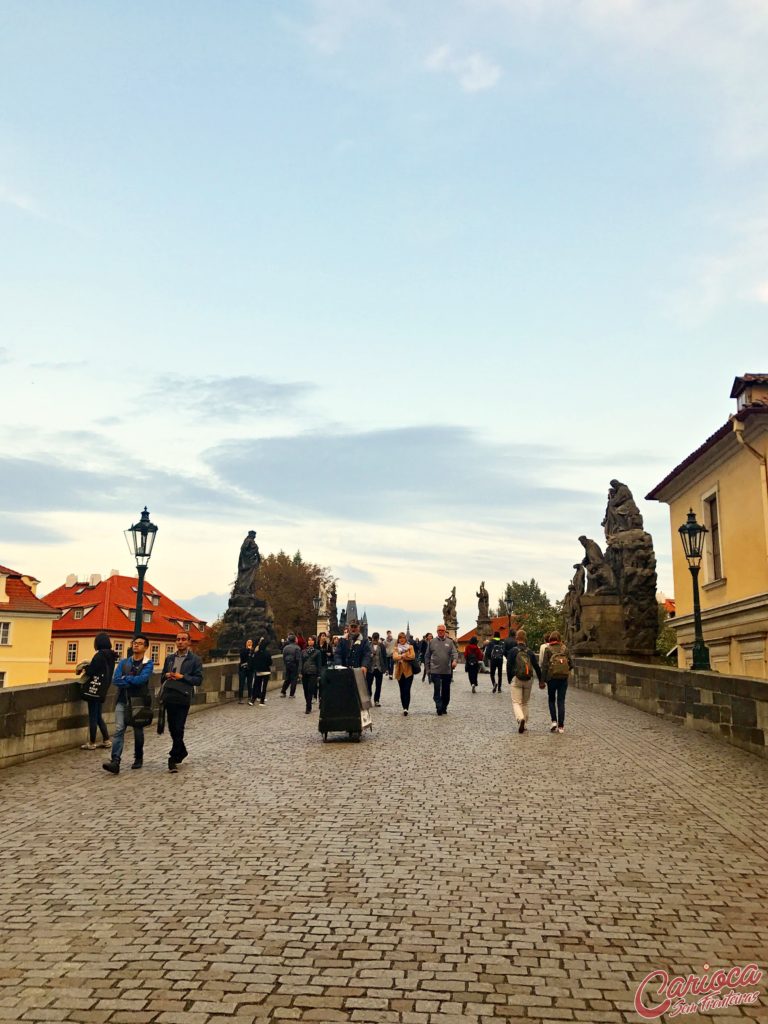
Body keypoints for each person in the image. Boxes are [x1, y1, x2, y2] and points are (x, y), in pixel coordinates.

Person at [102, 634, 154, 775]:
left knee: (138, 730)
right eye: (134, 643)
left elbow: (142, 680)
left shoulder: (148, 663)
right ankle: (115, 761)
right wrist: (131, 680)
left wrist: (127, 678)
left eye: (140, 643)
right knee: (119, 729)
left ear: (146, 647)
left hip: (138, 702)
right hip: (122, 700)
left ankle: (138, 757)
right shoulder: (124, 662)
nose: (136, 645)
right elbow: (116, 680)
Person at [159, 630, 204, 772]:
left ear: (189, 642)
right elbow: (161, 677)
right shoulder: (170, 658)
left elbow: (198, 680)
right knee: (172, 728)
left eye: (183, 639)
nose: (180, 641)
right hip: (169, 695)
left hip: (183, 696)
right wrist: (166, 675)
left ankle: (173, 758)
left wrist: (182, 677)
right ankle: (182, 751)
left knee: (179, 727)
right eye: (178, 639)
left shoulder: (195, 659)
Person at [77, 632, 117, 750]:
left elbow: (92, 670)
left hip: (94, 689)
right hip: (103, 688)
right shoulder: (110, 655)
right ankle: (106, 739)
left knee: (93, 716)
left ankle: (92, 742)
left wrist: (84, 667)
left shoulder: (99, 655)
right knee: (98, 715)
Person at [505, 629, 542, 734]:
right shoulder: (529, 652)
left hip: (516, 679)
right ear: (525, 639)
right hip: (528, 680)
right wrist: (541, 680)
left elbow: (509, 665)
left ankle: (520, 718)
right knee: (525, 703)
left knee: (516, 702)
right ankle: (524, 724)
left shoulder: (513, 651)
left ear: (517, 638)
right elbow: (536, 667)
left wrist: (509, 678)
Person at [541, 630, 573, 734]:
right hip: (563, 679)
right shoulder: (565, 649)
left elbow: (544, 666)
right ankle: (561, 726)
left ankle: (554, 721)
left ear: (550, 639)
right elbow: (571, 664)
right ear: (559, 639)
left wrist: (542, 680)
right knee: (561, 701)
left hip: (552, 678)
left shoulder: (548, 649)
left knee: (551, 700)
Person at [426, 624, 458, 716]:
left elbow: (455, 653)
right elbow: (427, 656)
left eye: (442, 630)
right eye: (439, 630)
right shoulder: (432, 642)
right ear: (437, 631)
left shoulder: (450, 642)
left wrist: (455, 661)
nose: (440, 632)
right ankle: (438, 707)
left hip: (446, 671)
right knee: (437, 689)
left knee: (446, 691)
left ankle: (444, 706)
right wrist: (428, 669)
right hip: (435, 670)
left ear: (445, 631)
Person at [392, 631, 416, 715]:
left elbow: (412, 656)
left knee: (407, 689)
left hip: (408, 672)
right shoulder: (396, 648)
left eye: (403, 637)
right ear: (398, 639)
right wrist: (403, 656)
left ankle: (406, 708)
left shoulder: (410, 647)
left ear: (406, 639)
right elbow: (395, 657)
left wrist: (402, 656)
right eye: (400, 638)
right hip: (399, 672)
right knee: (402, 690)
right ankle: (404, 707)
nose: (401, 639)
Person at [300, 636, 322, 714]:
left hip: (313, 673)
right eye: (309, 640)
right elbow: (301, 662)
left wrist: (319, 674)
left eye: (312, 640)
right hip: (305, 672)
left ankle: (308, 706)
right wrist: (300, 672)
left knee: (310, 689)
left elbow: (319, 664)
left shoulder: (317, 652)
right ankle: (307, 703)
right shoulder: (303, 651)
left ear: (314, 642)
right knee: (305, 689)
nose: (310, 641)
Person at [368, 631, 387, 706]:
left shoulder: (382, 646)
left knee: (378, 685)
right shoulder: (368, 645)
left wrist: (385, 668)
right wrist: (371, 655)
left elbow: (384, 657)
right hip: (370, 668)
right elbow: (365, 656)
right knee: (368, 685)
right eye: (374, 640)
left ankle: (376, 700)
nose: (375, 641)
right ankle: (369, 698)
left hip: (379, 668)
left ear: (378, 639)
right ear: (372, 639)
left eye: (376, 640)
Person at [280, 633, 302, 697]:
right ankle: (291, 694)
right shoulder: (297, 648)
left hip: (287, 664)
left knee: (287, 679)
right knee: (294, 680)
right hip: (294, 665)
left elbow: (283, 657)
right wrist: (299, 670)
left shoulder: (285, 648)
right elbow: (298, 659)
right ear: (295, 640)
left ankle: (283, 691)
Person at [252, 637, 272, 704]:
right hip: (266, 671)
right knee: (264, 687)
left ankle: (253, 700)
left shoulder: (257, 653)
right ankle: (262, 701)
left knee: (257, 685)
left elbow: (254, 661)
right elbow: (270, 662)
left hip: (259, 671)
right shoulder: (267, 653)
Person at [238, 638, 255, 705]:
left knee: (250, 684)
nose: (249, 643)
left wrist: (251, 651)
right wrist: (248, 650)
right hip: (243, 669)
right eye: (248, 642)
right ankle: (240, 698)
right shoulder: (243, 650)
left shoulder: (253, 651)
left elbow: (254, 659)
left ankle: (250, 697)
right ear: (246, 643)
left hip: (250, 670)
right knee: (241, 684)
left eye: (251, 642)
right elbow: (242, 657)